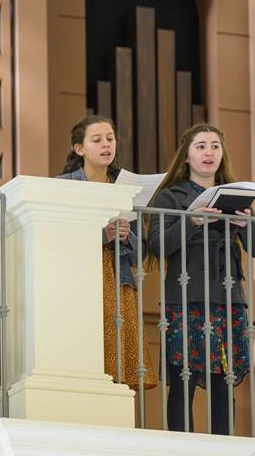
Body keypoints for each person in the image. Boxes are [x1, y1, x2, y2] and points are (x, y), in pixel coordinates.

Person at [146, 123, 255, 434]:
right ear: (186, 156)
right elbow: (159, 246)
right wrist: (194, 220)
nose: (209, 152)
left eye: (215, 145)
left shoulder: (237, 194)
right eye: (201, 146)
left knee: (223, 383)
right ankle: (181, 448)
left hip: (226, 299)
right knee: (182, 382)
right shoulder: (169, 196)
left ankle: (223, 449)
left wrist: (247, 224)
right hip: (186, 298)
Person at [56, 115, 157, 392]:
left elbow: (140, 257)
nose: (106, 145)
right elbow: (57, 239)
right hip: (81, 278)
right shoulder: (63, 185)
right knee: (83, 346)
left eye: (110, 139)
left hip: (118, 278)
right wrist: (103, 235)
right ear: (80, 149)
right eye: (97, 139)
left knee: (117, 351)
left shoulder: (125, 189)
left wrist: (126, 237)